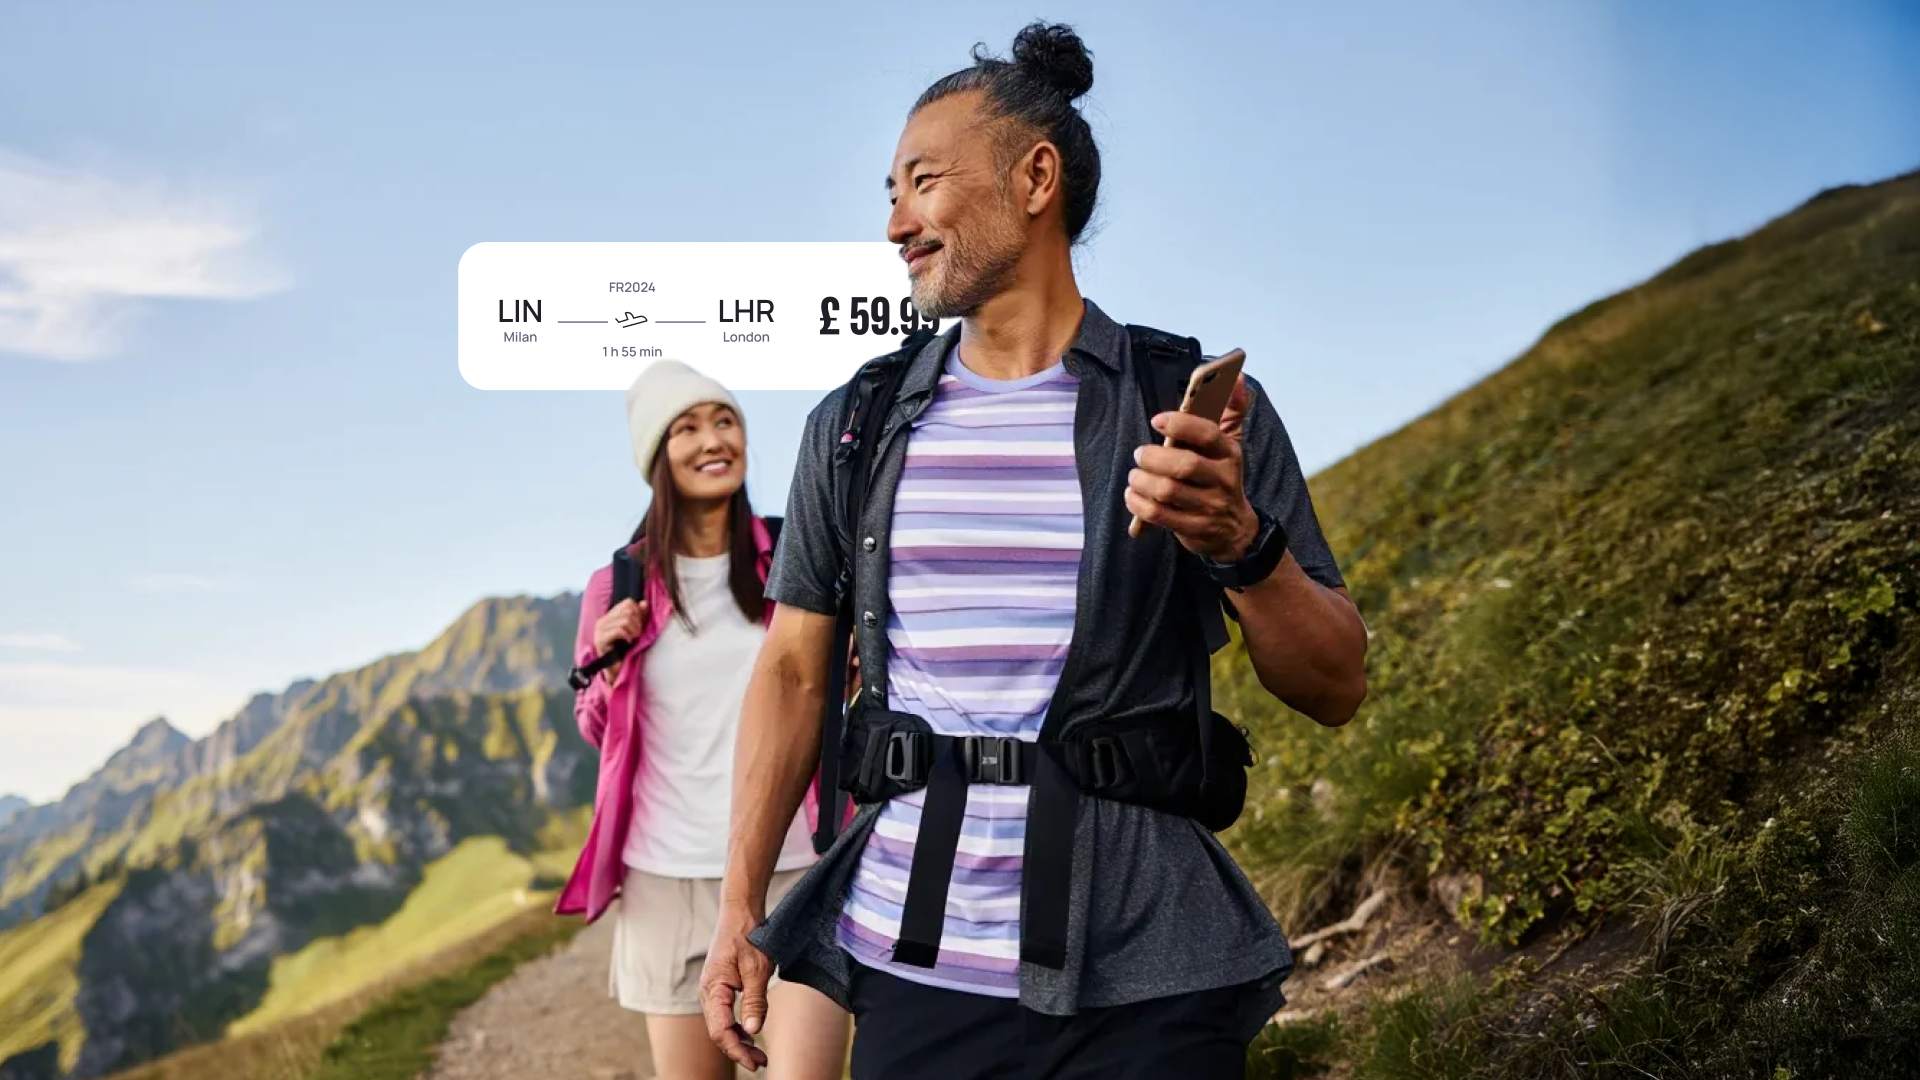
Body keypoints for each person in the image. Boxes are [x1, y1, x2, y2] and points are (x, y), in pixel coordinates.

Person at [701, 21, 1370, 1080]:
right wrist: (741, 904)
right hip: (912, 968)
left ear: (1035, 178)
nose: (894, 225)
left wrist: (1239, 542)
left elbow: (1335, 682)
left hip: (1148, 970)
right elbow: (792, 670)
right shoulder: (856, 426)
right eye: (887, 193)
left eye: (921, 183)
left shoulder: (1194, 411)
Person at [554, 359, 851, 1080]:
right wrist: (609, 662)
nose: (713, 439)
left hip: (796, 866)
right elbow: (598, 729)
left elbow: (828, 691)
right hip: (666, 878)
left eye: (724, 421)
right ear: (658, 454)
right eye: (687, 427)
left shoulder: (795, 557)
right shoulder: (617, 584)